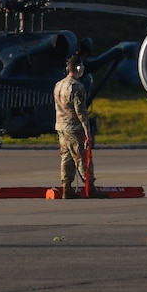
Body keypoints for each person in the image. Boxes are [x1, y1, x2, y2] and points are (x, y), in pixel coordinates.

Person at [53, 57, 92, 197]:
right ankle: (90, 187)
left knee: (66, 157)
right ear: (78, 68)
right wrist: (88, 131)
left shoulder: (58, 85)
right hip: (74, 127)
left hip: (61, 126)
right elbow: (81, 112)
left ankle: (66, 188)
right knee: (81, 156)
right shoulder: (76, 87)